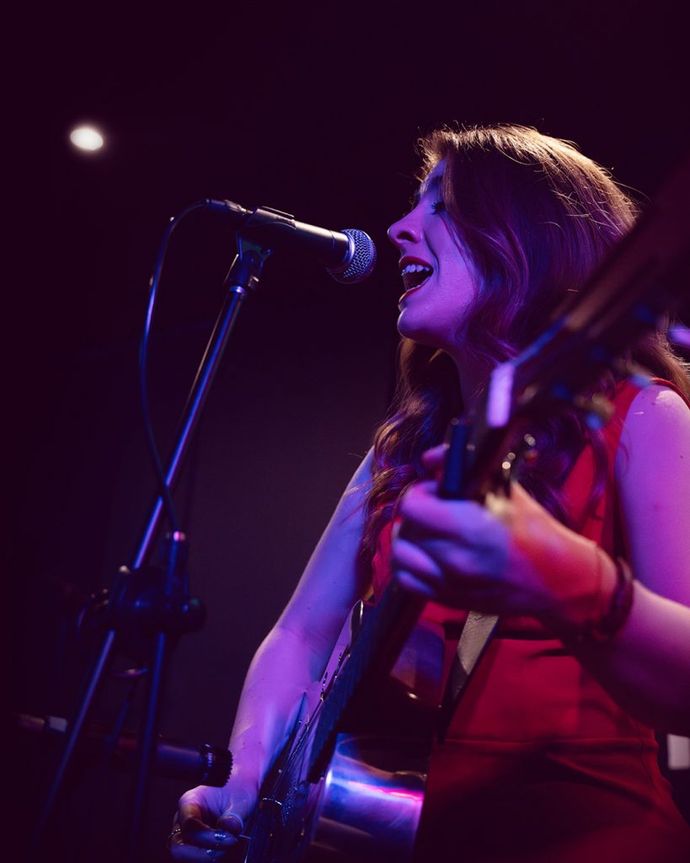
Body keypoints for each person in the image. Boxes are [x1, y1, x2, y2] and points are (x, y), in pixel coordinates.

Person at [168, 125, 690, 861]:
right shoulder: (403, 449)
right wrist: (246, 784)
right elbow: (299, 634)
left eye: (440, 205)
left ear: (529, 235)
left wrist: (574, 580)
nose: (397, 229)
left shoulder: (648, 419)